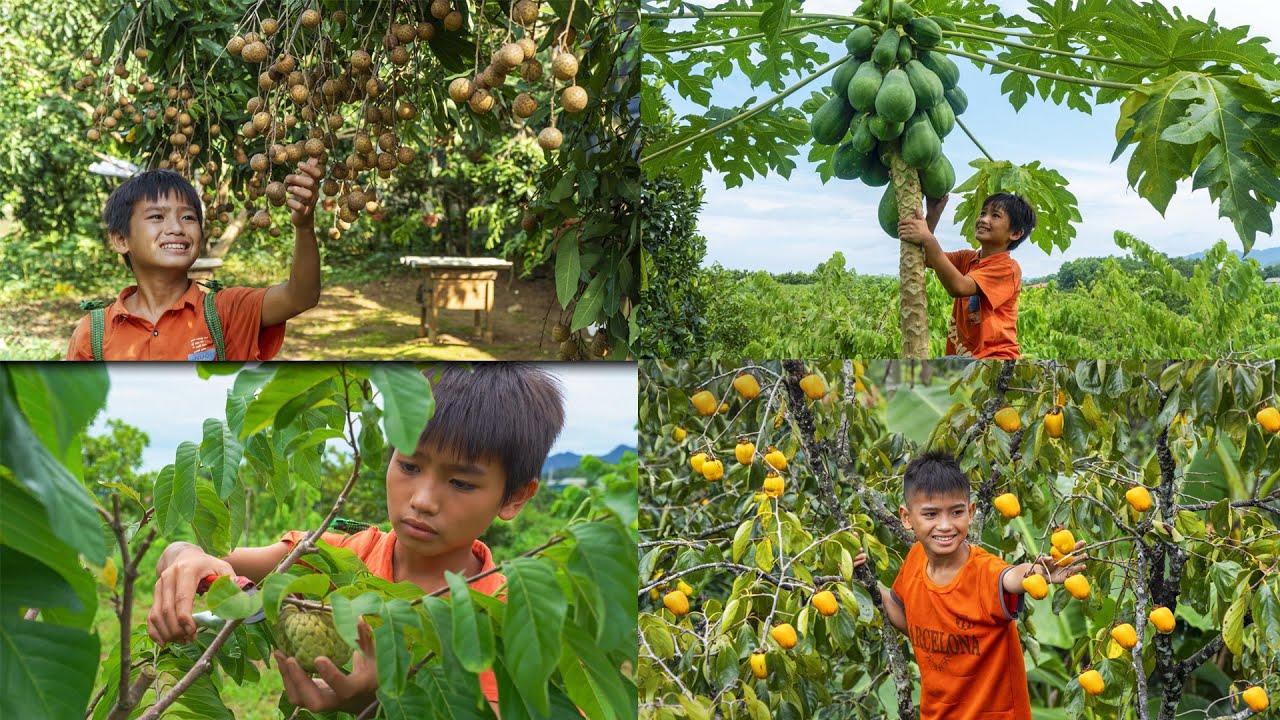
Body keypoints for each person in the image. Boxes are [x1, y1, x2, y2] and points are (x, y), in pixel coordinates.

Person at [146, 363, 565, 714]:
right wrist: (183, 554)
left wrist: (375, 703)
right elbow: (219, 560)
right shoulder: (342, 554)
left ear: (514, 497)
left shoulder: (507, 618)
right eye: (409, 466)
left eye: (460, 482)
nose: (422, 501)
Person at [849, 450, 1085, 719]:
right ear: (906, 517)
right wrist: (861, 577)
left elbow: (1010, 577)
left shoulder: (984, 570)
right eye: (931, 514)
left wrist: (1035, 572)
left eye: (956, 512)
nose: (946, 525)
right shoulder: (915, 559)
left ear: (971, 513)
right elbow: (909, 620)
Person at [66, 161, 324, 360]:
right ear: (121, 239)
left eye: (188, 218)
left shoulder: (226, 310)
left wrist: (303, 227)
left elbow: (301, 296)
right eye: (157, 217)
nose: (177, 228)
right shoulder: (94, 333)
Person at [897, 192, 1037, 359]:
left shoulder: (1007, 269)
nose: (984, 219)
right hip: (966, 359)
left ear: (1015, 233)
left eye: (995, 216)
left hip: (995, 358)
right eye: (983, 213)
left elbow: (959, 287)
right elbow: (927, 258)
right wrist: (933, 215)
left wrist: (928, 239)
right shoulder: (967, 258)